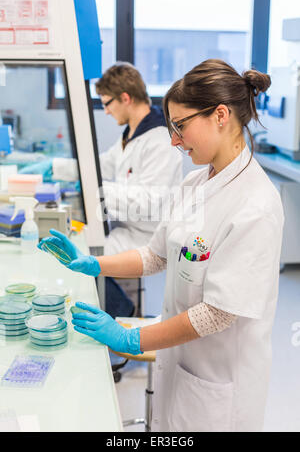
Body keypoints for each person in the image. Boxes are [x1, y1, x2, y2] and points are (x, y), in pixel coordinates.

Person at [38, 59, 284, 432]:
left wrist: (131, 338)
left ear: (220, 115)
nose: (173, 140)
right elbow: (156, 255)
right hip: (181, 368)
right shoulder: (195, 184)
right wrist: (94, 264)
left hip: (219, 387)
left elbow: (216, 315)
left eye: (180, 126)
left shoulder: (255, 206)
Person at [22, 62, 183, 318]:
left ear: (126, 98)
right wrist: (54, 166)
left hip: (145, 237)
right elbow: (99, 166)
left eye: (107, 103)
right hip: (124, 228)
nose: (106, 111)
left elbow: (149, 204)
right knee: (78, 249)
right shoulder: (131, 135)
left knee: (78, 257)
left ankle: (122, 314)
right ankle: (115, 312)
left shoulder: (160, 141)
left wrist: (95, 188)